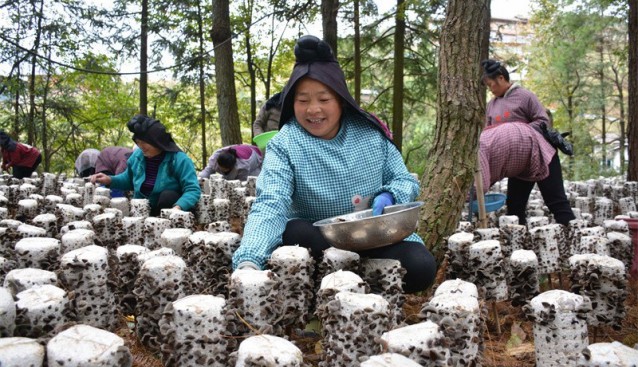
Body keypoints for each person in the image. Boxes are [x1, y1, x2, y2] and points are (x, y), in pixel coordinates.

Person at [232, 35, 437, 293]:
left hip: (375, 237)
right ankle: (354, 276)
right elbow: (271, 202)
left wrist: (390, 194)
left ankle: (354, 273)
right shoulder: (284, 143)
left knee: (420, 267)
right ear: (291, 103)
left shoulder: (370, 134)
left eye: (324, 99)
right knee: (295, 233)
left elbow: (404, 180)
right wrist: (250, 259)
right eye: (302, 100)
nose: (313, 109)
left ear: (340, 99)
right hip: (321, 240)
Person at [481, 59, 574, 225]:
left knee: (557, 202)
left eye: (491, 85)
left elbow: (542, 121)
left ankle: (575, 239)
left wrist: (517, 133)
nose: (490, 89)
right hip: (518, 164)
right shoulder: (491, 105)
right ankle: (521, 247)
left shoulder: (525, 96)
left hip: (542, 155)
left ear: (501, 78)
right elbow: (488, 133)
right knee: (515, 207)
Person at [90, 114, 201, 216]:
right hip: (142, 208)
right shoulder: (138, 156)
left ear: (157, 142)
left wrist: (178, 207)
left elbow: (192, 189)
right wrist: (109, 180)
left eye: (144, 142)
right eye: (138, 142)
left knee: (167, 196)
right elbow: (128, 179)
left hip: (171, 210)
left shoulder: (179, 160)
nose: (140, 146)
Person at [198, 144, 263, 181]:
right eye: (221, 167)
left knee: (253, 182)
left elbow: (241, 183)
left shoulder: (243, 166)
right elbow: (207, 171)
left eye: (226, 169)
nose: (223, 170)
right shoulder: (214, 159)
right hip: (239, 149)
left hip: (255, 157)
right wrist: (199, 179)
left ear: (232, 166)